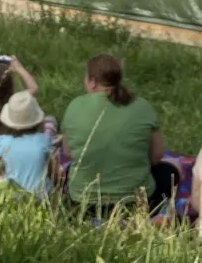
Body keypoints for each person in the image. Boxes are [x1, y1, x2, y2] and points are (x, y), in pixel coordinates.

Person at [61, 55, 174, 214]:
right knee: (169, 172)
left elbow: (67, 152)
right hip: (137, 203)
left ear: (93, 82)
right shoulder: (143, 107)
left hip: (83, 203)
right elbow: (157, 155)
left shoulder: (75, 106)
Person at [0, 91, 56, 197]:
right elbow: (53, 171)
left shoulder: (2, 142)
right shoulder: (43, 140)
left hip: (13, 196)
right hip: (41, 197)